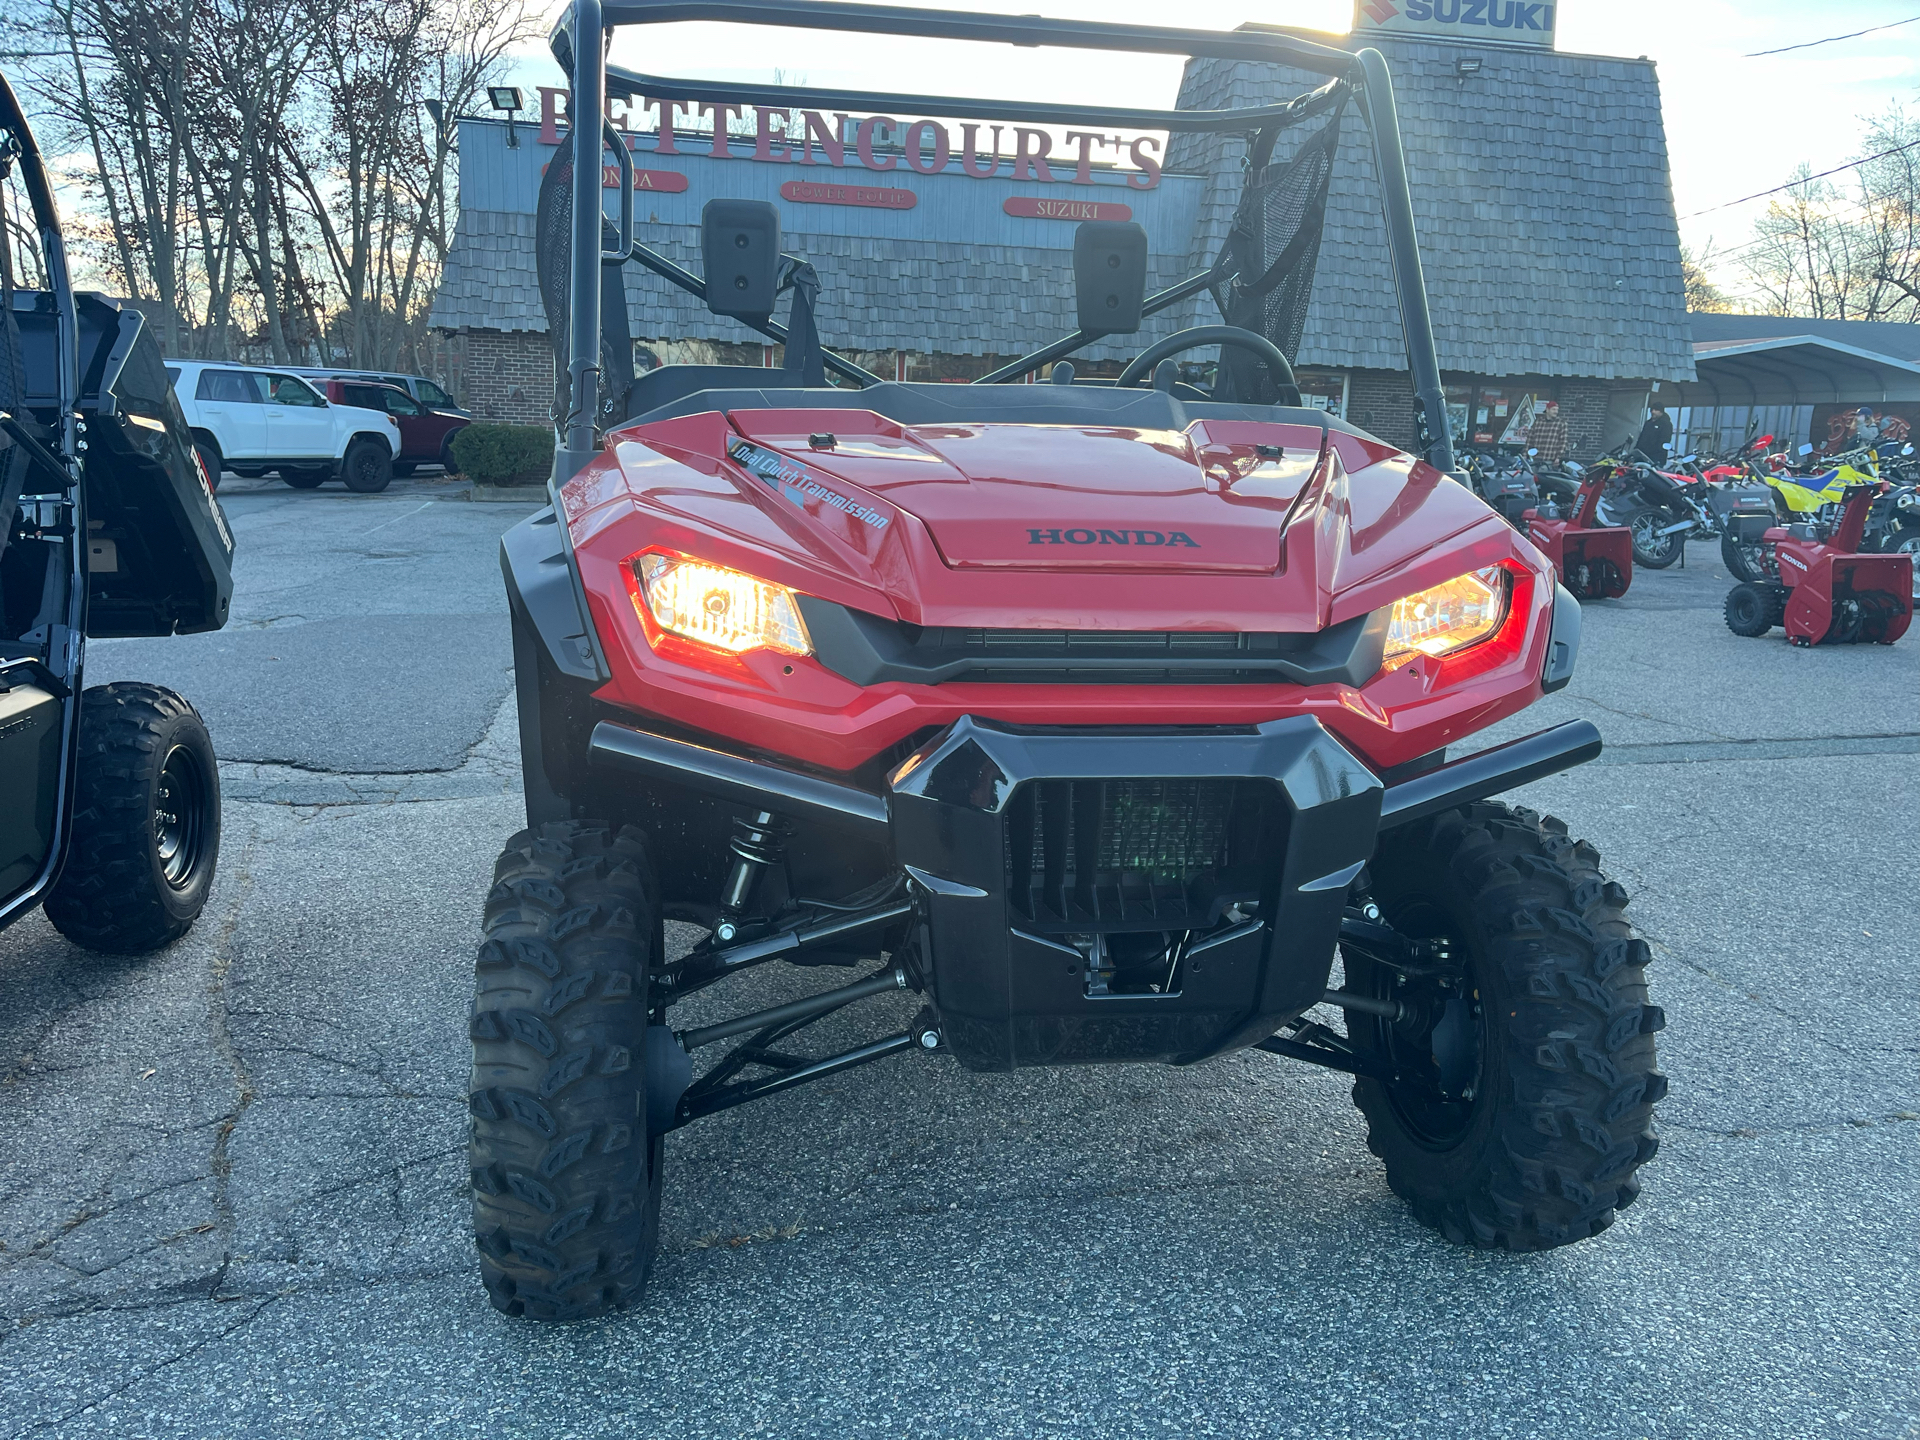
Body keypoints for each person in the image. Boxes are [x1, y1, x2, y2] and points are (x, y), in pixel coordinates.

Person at [1528, 399, 1570, 467]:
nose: (1556, 412)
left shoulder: (1561, 423)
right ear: (1547, 410)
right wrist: (1525, 454)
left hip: (1550, 460)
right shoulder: (1538, 422)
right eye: (1553, 409)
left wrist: (1558, 457)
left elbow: (1563, 442)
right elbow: (1530, 439)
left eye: (1557, 410)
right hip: (1535, 459)